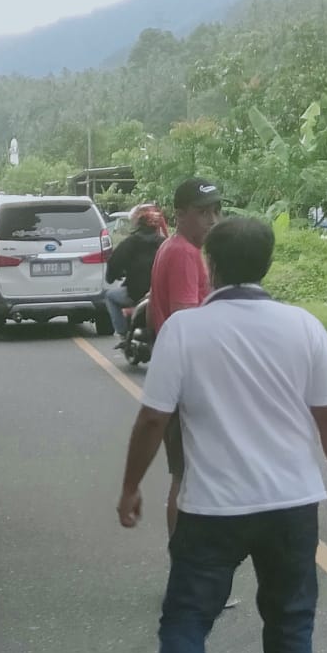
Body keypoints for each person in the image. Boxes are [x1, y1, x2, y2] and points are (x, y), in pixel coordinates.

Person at [118, 217, 327, 653]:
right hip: (291, 504)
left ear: (211, 265)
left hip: (211, 509)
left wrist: (131, 487)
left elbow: (154, 418)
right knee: (290, 623)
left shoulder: (183, 330)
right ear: (269, 263)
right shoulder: (303, 326)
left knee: (185, 619)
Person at [149, 179, 221, 538]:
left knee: (187, 475)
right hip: (187, 381)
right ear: (179, 215)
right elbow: (184, 322)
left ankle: (187, 570)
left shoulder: (173, 247)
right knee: (190, 479)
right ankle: (187, 570)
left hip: (177, 377)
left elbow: (154, 316)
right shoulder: (184, 254)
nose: (211, 220)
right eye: (202, 212)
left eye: (215, 211)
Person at [105, 205, 167, 343]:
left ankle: (123, 334)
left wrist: (111, 277)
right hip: (161, 294)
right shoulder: (165, 244)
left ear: (137, 222)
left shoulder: (129, 243)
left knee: (109, 296)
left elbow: (114, 263)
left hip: (136, 293)